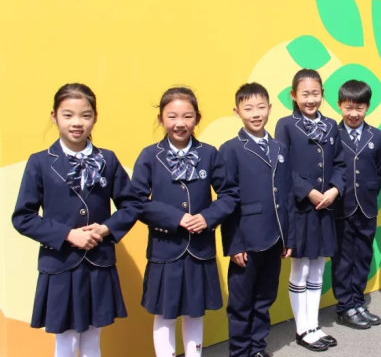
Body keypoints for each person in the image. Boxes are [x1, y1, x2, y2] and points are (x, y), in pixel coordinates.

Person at [12, 83, 142, 357]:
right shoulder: (40, 162)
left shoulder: (107, 159)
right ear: (54, 116)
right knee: (67, 340)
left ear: (95, 117)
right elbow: (23, 217)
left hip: (98, 262)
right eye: (68, 115)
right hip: (60, 264)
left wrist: (106, 228)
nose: (77, 123)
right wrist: (68, 235)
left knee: (93, 337)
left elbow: (131, 204)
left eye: (85, 115)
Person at [132, 87, 238, 357]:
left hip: (200, 249)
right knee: (164, 313)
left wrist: (207, 217)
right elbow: (136, 201)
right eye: (172, 116)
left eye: (187, 116)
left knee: (194, 312)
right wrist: (176, 218)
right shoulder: (150, 156)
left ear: (197, 118)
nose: (180, 123)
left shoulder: (209, 154)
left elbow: (229, 194)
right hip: (165, 250)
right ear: (160, 119)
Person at [219, 82, 294, 357]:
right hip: (246, 239)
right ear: (237, 111)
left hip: (275, 237)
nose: (255, 113)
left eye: (261, 107)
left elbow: (286, 195)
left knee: (265, 297)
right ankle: (240, 351)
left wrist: (288, 236)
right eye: (248, 108)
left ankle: (258, 348)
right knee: (241, 302)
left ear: (270, 109)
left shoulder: (279, 147)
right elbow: (227, 200)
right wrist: (234, 244)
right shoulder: (230, 149)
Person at [275, 68, 345, 352]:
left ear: (322, 94)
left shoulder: (331, 125)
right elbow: (283, 167)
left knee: (318, 268)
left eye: (315, 93)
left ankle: (314, 325)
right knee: (301, 268)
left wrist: (334, 189)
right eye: (305, 94)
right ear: (294, 95)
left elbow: (340, 163)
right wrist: (309, 191)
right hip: (301, 209)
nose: (311, 99)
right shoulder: (285, 125)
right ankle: (302, 329)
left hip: (325, 207)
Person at [331, 80, 381, 329]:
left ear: (367, 107)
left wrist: (369, 191)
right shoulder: (333, 134)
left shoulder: (377, 136)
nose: (354, 114)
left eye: (359, 108)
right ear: (339, 105)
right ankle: (345, 307)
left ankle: (357, 301)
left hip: (367, 206)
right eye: (348, 108)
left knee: (363, 255)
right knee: (343, 258)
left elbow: (378, 169)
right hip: (342, 207)